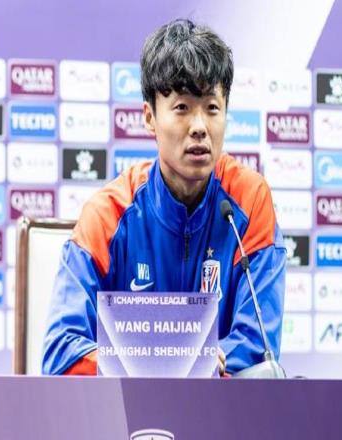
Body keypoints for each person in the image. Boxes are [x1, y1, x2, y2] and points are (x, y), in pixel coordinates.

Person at [42, 18, 286, 376]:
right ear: (149, 117)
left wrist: (199, 365)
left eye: (212, 108)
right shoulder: (107, 215)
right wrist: (162, 362)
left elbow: (259, 346)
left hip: (219, 408)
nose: (199, 126)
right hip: (124, 409)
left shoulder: (249, 202)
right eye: (182, 107)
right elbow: (61, 352)